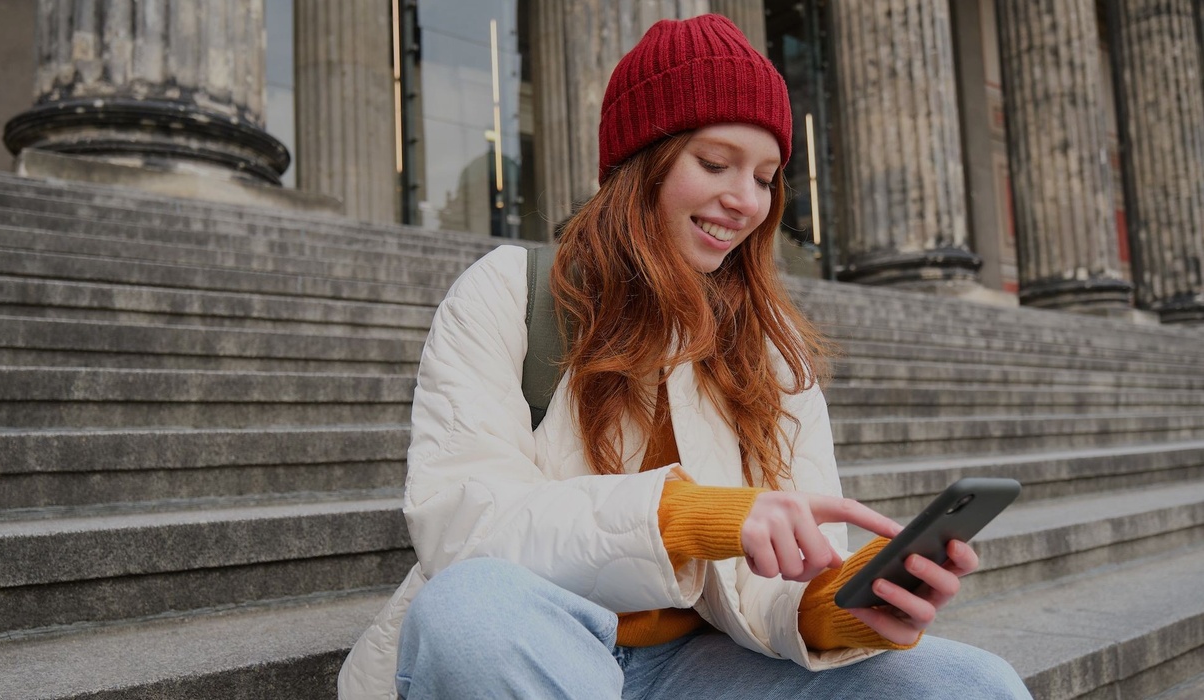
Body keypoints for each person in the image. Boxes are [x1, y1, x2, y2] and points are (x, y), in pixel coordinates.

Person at [338, 13, 1031, 700]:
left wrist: (838, 608)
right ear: (641, 163)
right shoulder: (508, 291)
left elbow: (768, 595)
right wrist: (686, 515)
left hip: (694, 666)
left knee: (971, 683)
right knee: (472, 610)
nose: (745, 201)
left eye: (764, 176)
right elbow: (463, 526)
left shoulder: (773, 352)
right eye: (714, 163)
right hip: (539, 647)